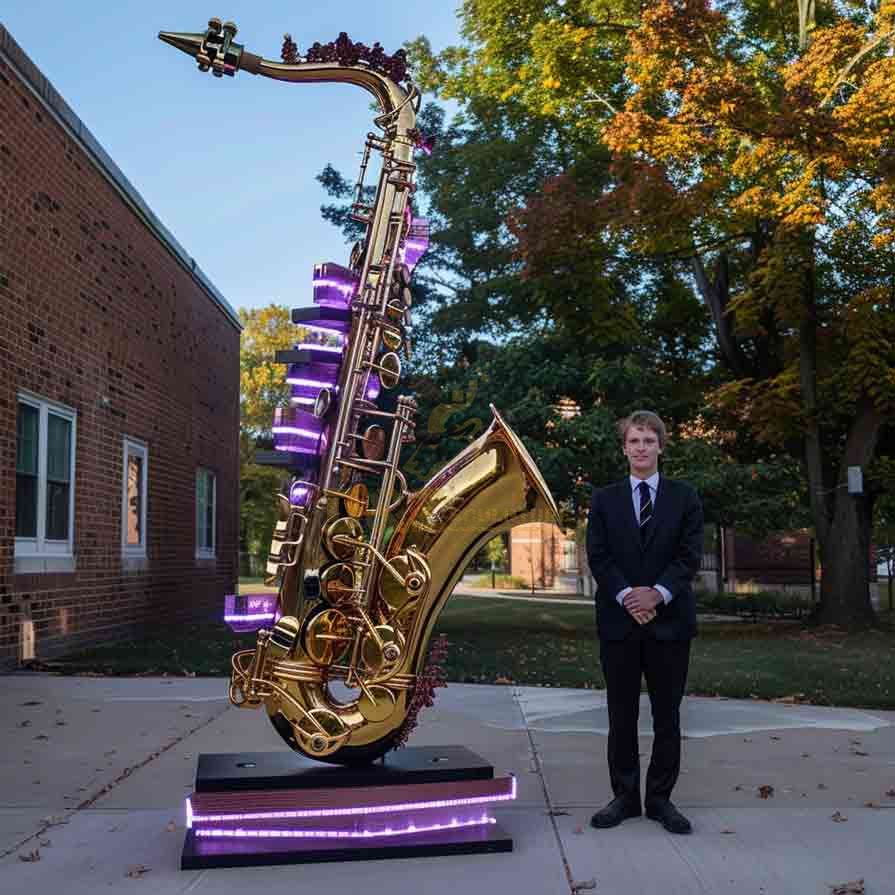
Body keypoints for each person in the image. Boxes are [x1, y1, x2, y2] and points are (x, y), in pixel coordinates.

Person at [586, 410, 703, 835]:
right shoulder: (603, 499)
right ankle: (624, 797)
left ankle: (660, 800)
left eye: (648, 441)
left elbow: (689, 555)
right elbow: (599, 556)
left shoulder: (685, 497)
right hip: (619, 623)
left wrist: (657, 593)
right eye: (634, 441)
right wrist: (626, 597)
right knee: (621, 714)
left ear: (661, 447)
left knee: (667, 715)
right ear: (624, 448)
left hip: (669, 622)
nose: (641, 448)